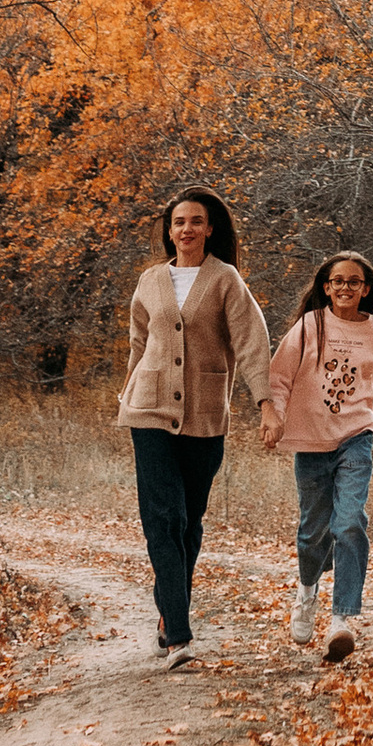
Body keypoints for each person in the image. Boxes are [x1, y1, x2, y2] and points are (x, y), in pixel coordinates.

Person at [117, 185, 271, 668]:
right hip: (148, 411)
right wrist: (127, 392)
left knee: (189, 523)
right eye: (179, 222)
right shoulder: (149, 280)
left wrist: (266, 402)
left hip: (205, 416)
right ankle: (179, 637)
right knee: (164, 519)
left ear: (209, 229)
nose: (187, 229)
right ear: (170, 231)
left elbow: (251, 342)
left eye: (196, 221)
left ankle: (169, 611)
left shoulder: (225, 279)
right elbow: (138, 344)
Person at [259, 245, 373, 665]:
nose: (345, 288)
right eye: (337, 281)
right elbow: (279, 377)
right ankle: (306, 593)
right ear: (326, 287)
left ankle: (341, 620)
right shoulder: (310, 325)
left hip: (356, 434)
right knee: (313, 532)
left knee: (350, 522)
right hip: (310, 440)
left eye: (354, 282)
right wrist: (274, 417)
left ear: (366, 289)